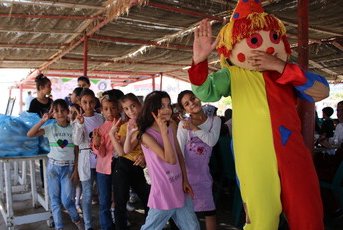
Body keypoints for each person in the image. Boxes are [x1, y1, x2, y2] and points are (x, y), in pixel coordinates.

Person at [188, 1, 329, 229]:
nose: (268, 47)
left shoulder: (288, 74)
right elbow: (205, 91)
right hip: (254, 157)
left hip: (292, 152)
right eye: (254, 40)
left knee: (308, 214)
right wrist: (199, 60)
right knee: (261, 220)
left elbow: (321, 91)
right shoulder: (233, 74)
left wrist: (281, 67)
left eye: (275, 38)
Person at [137, 91, 200, 230]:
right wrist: (163, 132)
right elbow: (170, 159)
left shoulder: (171, 125)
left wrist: (185, 179)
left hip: (179, 187)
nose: (167, 109)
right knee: (151, 228)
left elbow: (178, 155)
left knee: (192, 227)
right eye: (162, 106)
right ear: (152, 109)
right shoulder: (146, 135)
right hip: (163, 191)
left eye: (168, 105)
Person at [27, 99, 84, 230]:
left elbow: (76, 151)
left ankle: (77, 219)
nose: (60, 114)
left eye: (63, 110)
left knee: (67, 200)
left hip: (68, 169)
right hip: (53, 168)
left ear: (67, 111)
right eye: (56, 111)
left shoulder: (73, 128)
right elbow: (30, 134)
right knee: (55, 200)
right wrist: (43, 120)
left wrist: (76, 170)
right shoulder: (50, 127)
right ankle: (59, 227)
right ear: (52, 113)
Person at [176, 90, 221, 230]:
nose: (192, 103)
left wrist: (194, 128)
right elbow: (179, 152)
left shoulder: (215, 120)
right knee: (189, 214)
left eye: (193, 98)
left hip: (204, 175)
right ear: (185, 109)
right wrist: (183, 178)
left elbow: (211, 141)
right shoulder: (183, 125)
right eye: (187, 104)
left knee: (210, 212)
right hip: (187, 176)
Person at [108, 93, 150, 229]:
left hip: (139, 167)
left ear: (140, 105)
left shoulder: (149, 124)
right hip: (123, 166)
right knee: (120, 202)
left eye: (133, 106)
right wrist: (111, 134)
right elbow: (122, 152)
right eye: (126, 108)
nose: (130, 110)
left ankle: (153, 226)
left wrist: (144, 155)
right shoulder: (125, 126)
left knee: (148, 200)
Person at [73, 88, 105, 230]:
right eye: (85, 102)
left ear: (95, 102)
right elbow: (76, 141)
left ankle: (105, 222)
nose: (88, 105)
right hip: (86, 161)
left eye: (91, 102)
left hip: (101, 160)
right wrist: (80, 125)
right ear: (80, 103)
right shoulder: (78, 120)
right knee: (87, 194)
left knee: (102, 193)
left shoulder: (101, 118)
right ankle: (88, 225)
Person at [92, 94, 121, 230]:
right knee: (104, 201)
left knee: (120, 199)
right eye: (106, 109)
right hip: (103, 169)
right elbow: (101, 154)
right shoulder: (99, 130)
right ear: (102, 111)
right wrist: (97, 144)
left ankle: (120, 223)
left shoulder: (124, 127)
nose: (110, 112)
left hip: (120, 168)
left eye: (113, 108)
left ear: (118, 109)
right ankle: (106, 226)